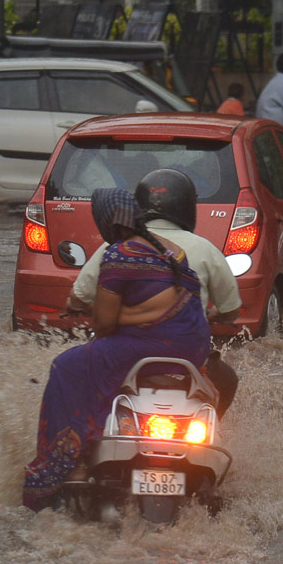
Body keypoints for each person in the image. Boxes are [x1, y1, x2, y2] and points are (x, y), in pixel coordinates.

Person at [22, 188, 212, 511]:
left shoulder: (119, 255)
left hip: (145, 348)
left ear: (105, 222)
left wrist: (120, 315)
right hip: (193, 350)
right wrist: (141, 316)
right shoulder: (173, 250)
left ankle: (68, 464)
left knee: (66, 367)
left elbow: (105, 325)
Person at [69, 169, 242, 417]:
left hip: (122, 354)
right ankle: (210, 434)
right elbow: (230, 308)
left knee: (78, 381)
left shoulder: (116, 247)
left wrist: (95, 309)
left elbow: (80, 297)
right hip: (187, 354)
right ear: (187, 206)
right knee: (227, 380)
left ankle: (83, 441)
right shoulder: (206, 249)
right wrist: (213, 316)